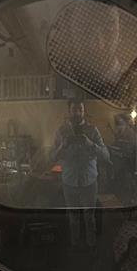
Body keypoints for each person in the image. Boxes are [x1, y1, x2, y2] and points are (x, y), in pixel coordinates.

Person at [52, 100, 109, 248]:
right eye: (74, 109)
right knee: (73, 218)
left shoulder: (93, 130)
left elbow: (106, 155)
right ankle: (75, 246)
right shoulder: (61, 131)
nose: (77, 113)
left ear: (84, 111)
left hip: (89, 181)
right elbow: (52, 157)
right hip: (69, 182)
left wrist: (90, 143)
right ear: (69, 112)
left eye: (80, 109)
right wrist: (62, 146)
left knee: (89, 217)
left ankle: (92, 247)